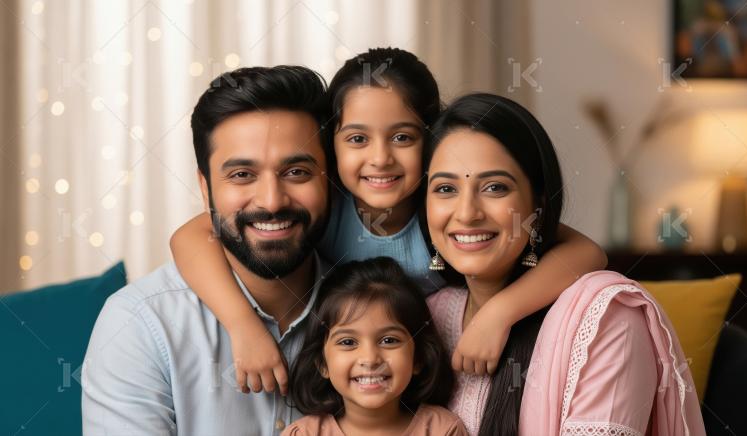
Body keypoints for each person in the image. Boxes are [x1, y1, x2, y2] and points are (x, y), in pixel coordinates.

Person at [169, 47, 608, 399]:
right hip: (355, 372)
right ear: (331, 146)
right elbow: (192, 234)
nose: (380, 159)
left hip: (434, 368)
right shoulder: (329, 202)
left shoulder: (441, 206)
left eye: (402, 137)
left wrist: (500, 313)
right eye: (358, 139)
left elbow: (586, 251)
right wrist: (243, 326)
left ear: (431, 140)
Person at [424, 93, 706, 435]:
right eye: (444, 189)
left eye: (495, 187)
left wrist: (501, 311)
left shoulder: (607, 321)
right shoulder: (429, 318)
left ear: (538, 206)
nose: (467, 213)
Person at [81, 66, 332, 435]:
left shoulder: (378, 305)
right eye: (242, 175)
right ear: (205, 188)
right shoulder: (139, 324)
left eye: (296, 172)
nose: (272, 201)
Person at [282, 257, 467, 436]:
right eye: (348, 342)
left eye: (388, 340)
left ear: (418, 357)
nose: (370, 359)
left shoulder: (442, 430)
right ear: (322, 363)